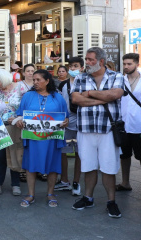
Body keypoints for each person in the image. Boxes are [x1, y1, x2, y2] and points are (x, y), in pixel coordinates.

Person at [71, 47, 125, 218]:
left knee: (109, 167)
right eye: (86, 59)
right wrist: (101, 99)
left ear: (101, 61)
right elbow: (75, 99)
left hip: (108, 129)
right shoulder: (80, 77)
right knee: (88, 166)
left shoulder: (117, 76)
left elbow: (114, 95)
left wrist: (89, 94)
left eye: (90, 59)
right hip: (85, 129)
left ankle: (111, 201)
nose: (87, 62)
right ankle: (88, 197)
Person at [15, 69, 69, 207]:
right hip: (33, 138)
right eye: (34, 80)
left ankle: (50, 193)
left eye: (38, 80)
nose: (35, 82)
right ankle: (31, 194)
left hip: (52, 138)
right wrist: (19, 121)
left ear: (47, 81)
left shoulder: (57, 97)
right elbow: (20, 115)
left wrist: (66, 122)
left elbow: (65, 116)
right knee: (31, 165)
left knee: (52, 165)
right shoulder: (28, 96)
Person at [54, 57, 84, 196]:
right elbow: (60, 103)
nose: (73, 68)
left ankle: (76, 181)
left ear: (82, 68)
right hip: (65, 124)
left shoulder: (86, 82)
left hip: (82, 125)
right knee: (63, 152)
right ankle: (64, 180)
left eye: (76, 66)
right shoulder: (63, 85)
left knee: (80, 153)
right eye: (71, 66)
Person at [0, 69, 22, 196]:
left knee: (15, 155)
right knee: (0, 156)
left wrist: (18, 118)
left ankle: (16, 184)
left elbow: (24, 106)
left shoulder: (20, 88)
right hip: (0, 126)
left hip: (14, 126)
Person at [117, 53, 141, 191]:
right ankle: (125, 182)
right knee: (124, 156)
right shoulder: (120, 80)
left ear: (137, 63)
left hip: (139, 125)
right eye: (124, 64)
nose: (126, 66)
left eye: (129, 64)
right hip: (123, 125)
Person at [9, 64, 35, 182]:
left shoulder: (38, 83)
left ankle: (37, 169)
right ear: (23, 73)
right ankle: (22, 169)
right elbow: (13, 100)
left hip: (36, 117)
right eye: (28, 71)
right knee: (22, 144)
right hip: (22, 116)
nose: (30, 73)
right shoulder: (19, 85)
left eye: (32, 71)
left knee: (35, 142)